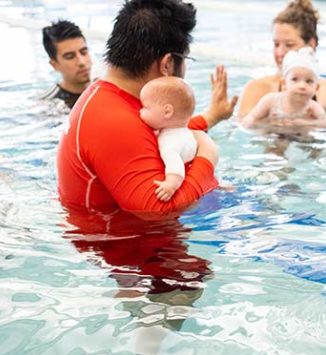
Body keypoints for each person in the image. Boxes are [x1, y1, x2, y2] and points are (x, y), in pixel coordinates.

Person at [57, 0, 238, 217]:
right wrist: (208, 156)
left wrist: (212, 116)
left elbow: (160, 131)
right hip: (125, 238)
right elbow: (157, 213)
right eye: (185, 59)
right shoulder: (114, 121)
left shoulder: (112, 99)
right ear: (166, 64)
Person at [237, 0, 326, 119]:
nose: (280, 53)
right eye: (276, 44)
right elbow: (242, 126)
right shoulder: (256, 90)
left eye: (289, 45)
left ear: (311, 44)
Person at [240, 47, 326, 129]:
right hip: (272, 134)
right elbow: (251, 118)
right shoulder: (271, 101)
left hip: (301, 136)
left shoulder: (312, 107)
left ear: (316, 88)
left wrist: (305, 123)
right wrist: (267, 124)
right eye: (294, 79)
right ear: (284, 83)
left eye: (309, 81)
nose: (302, 86)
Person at [139, 77, 197, 202]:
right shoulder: (184, 133)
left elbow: (176, 166)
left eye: (145, 107)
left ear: (167, 111)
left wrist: (171, 184)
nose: (140, 110)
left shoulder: (169, 143)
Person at [40, 20, 92, 109]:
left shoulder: (104, 88)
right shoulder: (49, 104)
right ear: (54, 65)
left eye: (84, 52)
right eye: (70, 57)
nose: (81, 62)